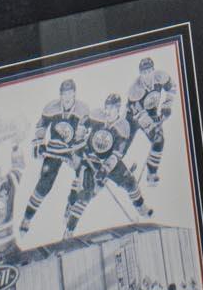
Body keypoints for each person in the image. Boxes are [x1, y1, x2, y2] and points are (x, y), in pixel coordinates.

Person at [63, 96, 153, 236]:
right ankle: (69, 229)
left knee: (130, 183)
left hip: (110, 162)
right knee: (86, 194)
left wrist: (105, 169)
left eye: (111, 108)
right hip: (90, 159)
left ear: (118, 108)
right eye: (107, 107)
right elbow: (83, 122)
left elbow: (116, 154)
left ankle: (141, 207)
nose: (108, 111)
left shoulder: (123, 126)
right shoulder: (97, 115)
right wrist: (79, 140)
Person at [20, 79, 89, 238]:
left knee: (82, 177)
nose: (67, 97)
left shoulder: (82, 109)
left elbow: (82, 134)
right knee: (44, 184)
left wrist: (77, 153)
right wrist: (39, 143)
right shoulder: (51, 107)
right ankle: (27, 218)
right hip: (54, 150)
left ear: (74, 94)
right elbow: (41, 125)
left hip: (72, 150)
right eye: (64, 94)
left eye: (70, 93)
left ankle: (71, 204)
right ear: (60, 95)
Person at [125, 58, 175, 186]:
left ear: (153, 70)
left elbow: (172, 87)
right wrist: (152, 125)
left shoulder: (160, 76)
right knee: (124, 144)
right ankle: (119, 171)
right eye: (144, 72)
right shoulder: (135, 89)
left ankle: (152, 173)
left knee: (159, 140)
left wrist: (167, 106)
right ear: (140, 74)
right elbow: (138, 114)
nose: (147, 75)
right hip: (133, 117)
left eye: (149, 71)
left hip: (151, 112)